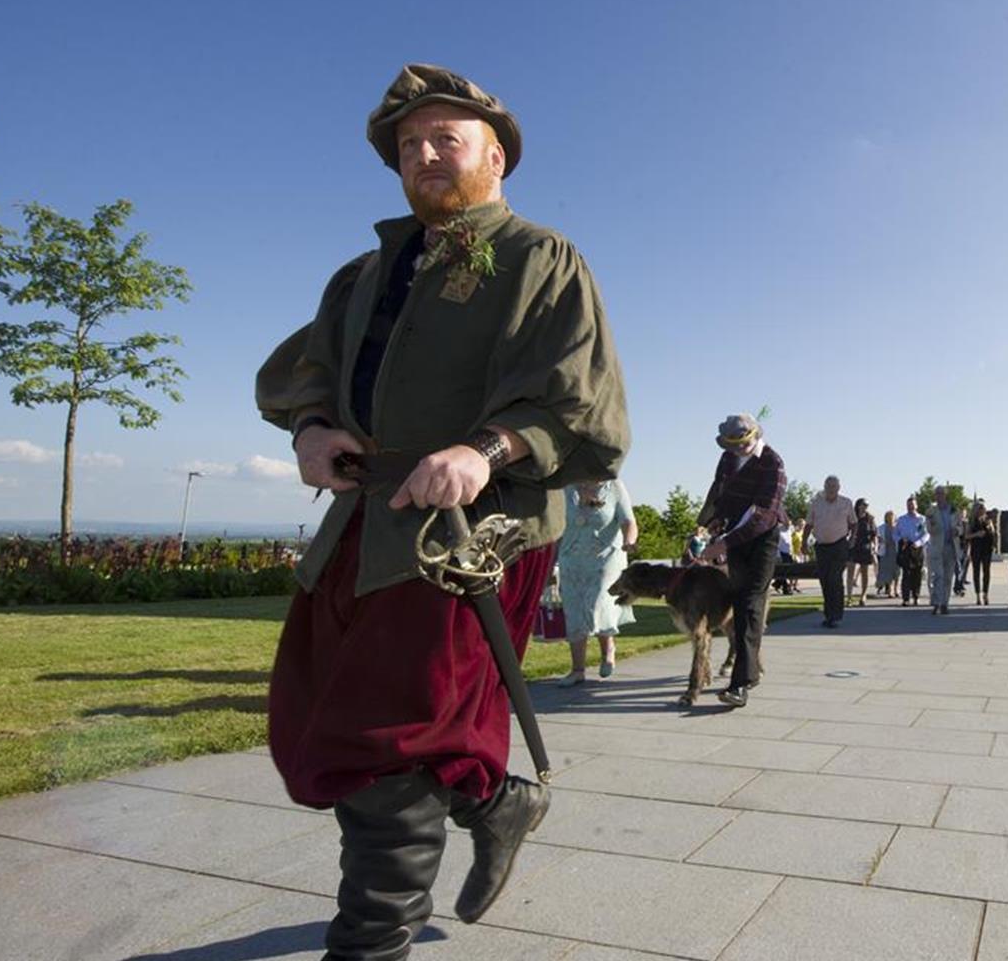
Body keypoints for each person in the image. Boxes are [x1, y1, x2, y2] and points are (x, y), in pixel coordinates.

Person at [253, 64, 629, 959]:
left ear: (494, 156)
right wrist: (311, 430)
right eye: (408, 145)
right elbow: (304, 372)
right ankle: (499, 801)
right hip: (360, 524)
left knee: (391, 739)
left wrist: (485, 448)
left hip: (476, 537)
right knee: (319, 717)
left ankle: (370, 944)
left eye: (444, 139)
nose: (422, 154)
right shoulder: (363, 274)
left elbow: (582, 402)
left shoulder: (542, 259)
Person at [697, 414, 786, 708]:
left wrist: (723, 543)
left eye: (744, 443)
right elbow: (721, 496)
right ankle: (750, 671)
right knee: (738, 601)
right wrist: (711, 524)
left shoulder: (773, 463)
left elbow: (762, 517)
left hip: (762, 540)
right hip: (733, 537)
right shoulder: (727, 459)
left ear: (756, 435)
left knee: (750, 603)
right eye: (733, 445)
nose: (739, 449)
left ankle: (740, 685)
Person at [555, 479, 638, 686]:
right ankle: (577, 670)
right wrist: (550, 564)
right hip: (571, 558)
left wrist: (629, 541)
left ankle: (608, 648)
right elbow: (555, 526)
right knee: (574, 610)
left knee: (598, 601)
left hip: (607, 557)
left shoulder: (614, 487)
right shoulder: (566, 488)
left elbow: (629, 521)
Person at [807, 475, 856, 628]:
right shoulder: (816, 503)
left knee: (834, 578)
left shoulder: (846, 503)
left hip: (840, 545)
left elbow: (854, 523)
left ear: (838, 488)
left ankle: (836, 615)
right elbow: (809, 524)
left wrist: (852, 538)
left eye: (834, 487)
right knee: (825, 580)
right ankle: (829, 615)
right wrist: (803, 542)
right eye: (828, 486)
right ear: (824, 487)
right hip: (822, 546)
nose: (831, 489)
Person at [926, 490, 958, 615]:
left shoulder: (953, 510)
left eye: (942, 494)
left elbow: (960, 526)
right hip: (937, 547)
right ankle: (936, 603)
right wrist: (934, 525)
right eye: (937, 494)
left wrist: (957, 531)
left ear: (945, 495)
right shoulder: (931, 511)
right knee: (938, 576)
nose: (939, 496)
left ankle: (945, 603)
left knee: (948, 577)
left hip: (951, 547)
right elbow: (929, 529)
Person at [893, 496, 928, 605]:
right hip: (905, 547)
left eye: (912, 505)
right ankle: (906, 598)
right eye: (909, 505)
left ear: (916, 506)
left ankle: (916, 596)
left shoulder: (922, 519)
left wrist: (919, 543)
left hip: (917, 548)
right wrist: (900, 540)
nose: (911, 507)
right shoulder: (901, 519)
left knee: (917, 573)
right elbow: (895, 534)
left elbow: (927, 534)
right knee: (906, 574)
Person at [965, 500, 996, 604]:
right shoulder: (972, 521)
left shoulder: (988, 520)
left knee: (986, 572)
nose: (982, 511)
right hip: (976, 548)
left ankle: (985, 594)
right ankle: (977, 595)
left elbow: (993, 533)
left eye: (983, 509)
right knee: (976, 572)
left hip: (987, 548)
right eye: (980, 509)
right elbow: (966, 536)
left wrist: (991, 529)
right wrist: (976, 534)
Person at [847, 498, 876, 606]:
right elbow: (846, 530)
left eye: (867, 505)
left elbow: (874, 534)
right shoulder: (852, 517)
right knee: (850, 570)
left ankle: (863, 595)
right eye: (863, 504)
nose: (865, 507)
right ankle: (849, 597)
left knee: (864, 572)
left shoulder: (870, 519)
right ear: (858, 505)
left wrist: (874, 547)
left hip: (865, 546)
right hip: (853, 546)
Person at [875, 500, 899, 597]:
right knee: (887, 571)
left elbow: (900, 537)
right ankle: (889, 590)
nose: (890, 518)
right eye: (888, 517)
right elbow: (877, 536)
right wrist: (880, 541)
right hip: (886, 552)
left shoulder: (897, 528)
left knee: (896, 572)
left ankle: (896, 588)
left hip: (896, 552)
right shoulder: (881, 527)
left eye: (892, 517)